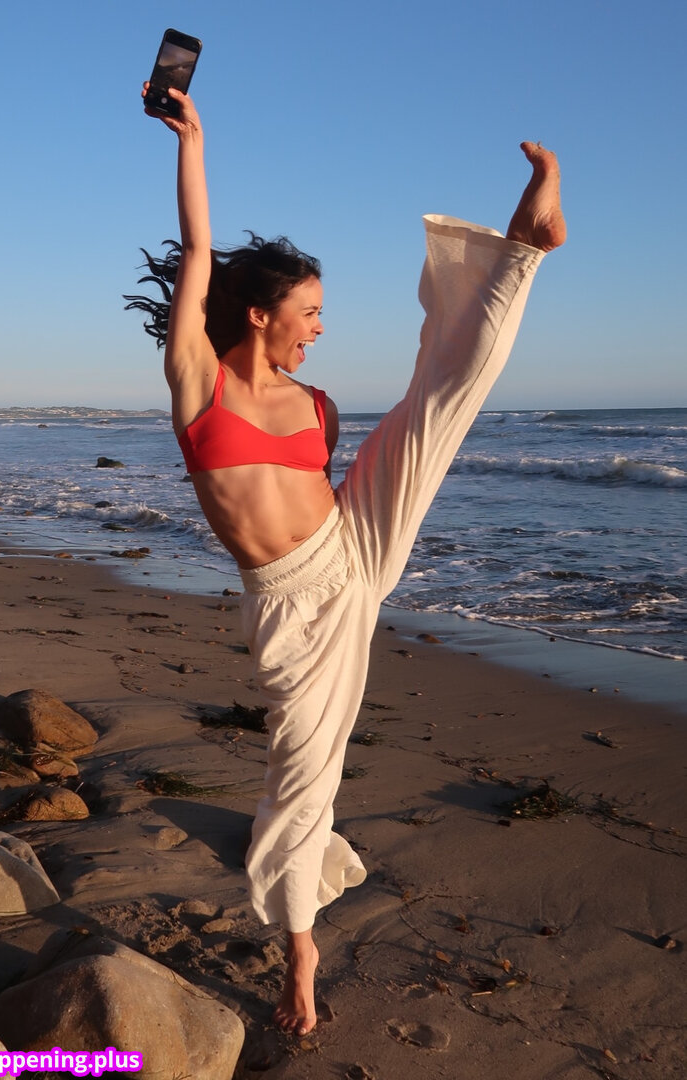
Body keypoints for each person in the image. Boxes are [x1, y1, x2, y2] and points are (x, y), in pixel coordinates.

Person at [136, 82, 566, 1037]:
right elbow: (199, 253)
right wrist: (190, 140)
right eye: (310, 311)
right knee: (304, 774)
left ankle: (522, 247)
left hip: (352, 539)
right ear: (259, 315)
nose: (321, 327)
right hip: (295, 606)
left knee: (440, 399)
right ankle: (301, 951)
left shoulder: (316, 405)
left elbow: (341, 465)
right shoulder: (198, 382)